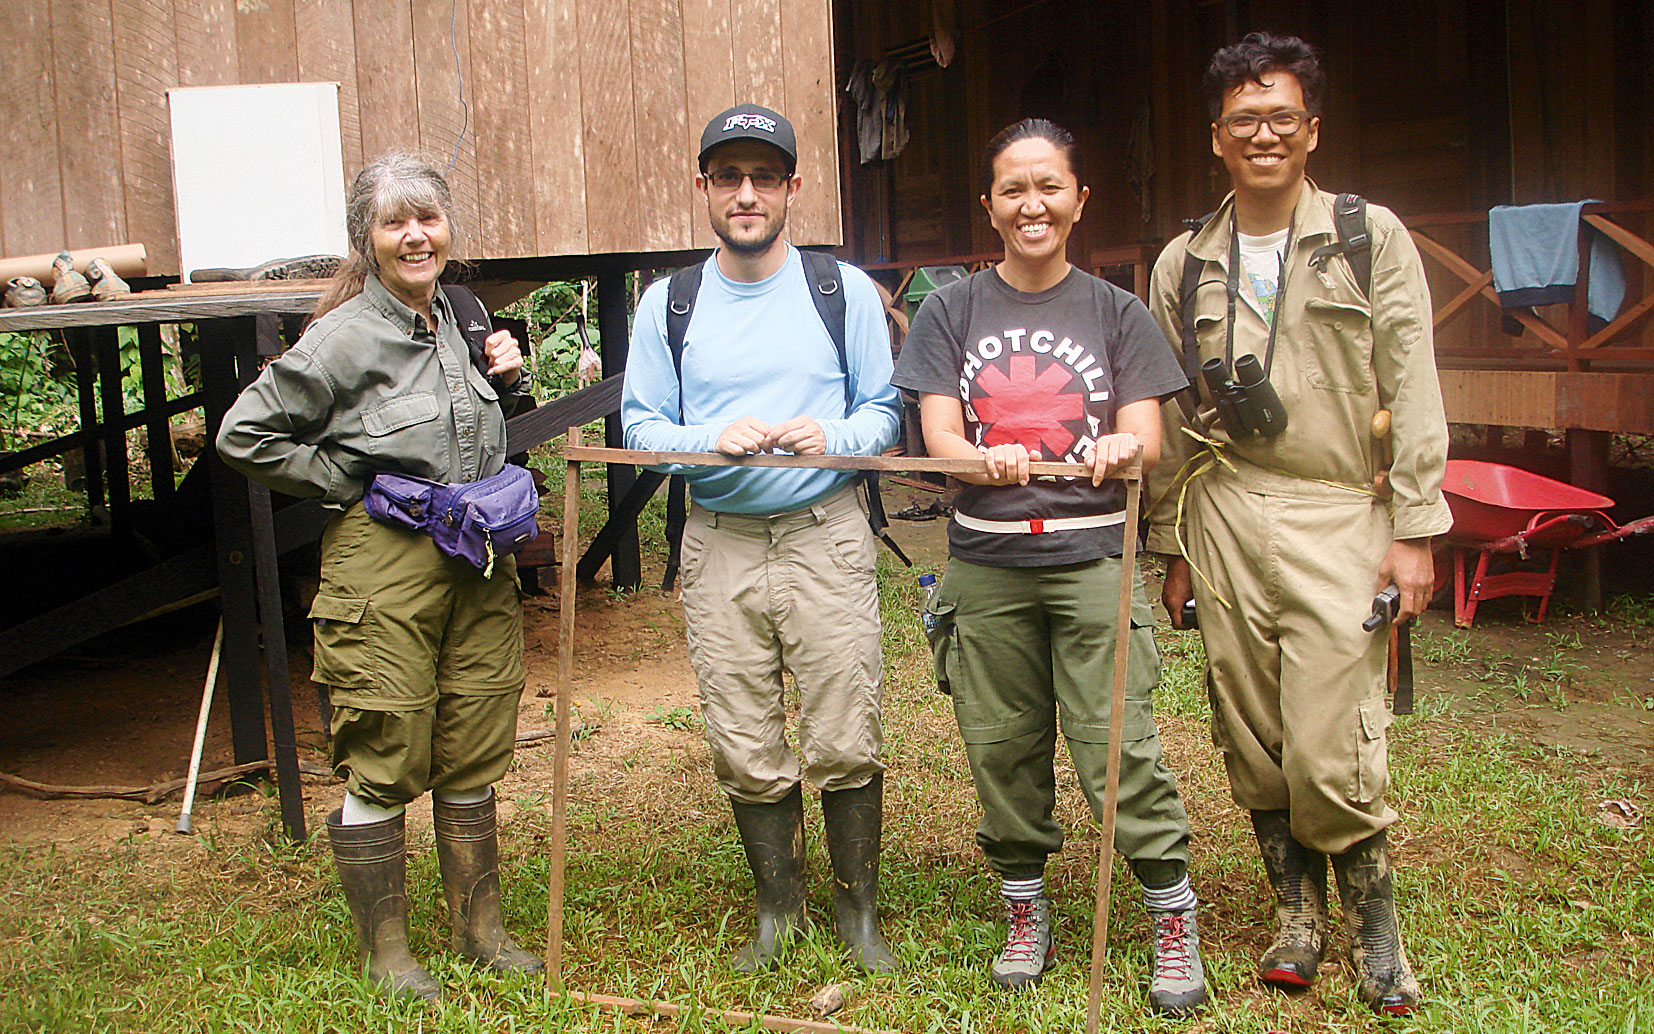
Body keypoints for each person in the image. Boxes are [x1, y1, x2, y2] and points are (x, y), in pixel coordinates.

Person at [1146, 34, 1451, 1016]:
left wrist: (1413, 527)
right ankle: (1296, 916)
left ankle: (1377, 930)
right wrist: (1172, 541)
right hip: (1225, 512)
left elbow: (1411, 382)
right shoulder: (1183, 261)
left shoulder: (1370, 236)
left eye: (1282, 116)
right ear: (1216, 138)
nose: (1264, 134)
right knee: (1253, 730)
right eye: (1245, 119)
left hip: (1336, 510)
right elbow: (1168, 414)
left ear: (1312, 130)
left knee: (1331, 739)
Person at [891, 118, 1206, 1015]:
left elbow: (1147, 438)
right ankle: (1025, 909)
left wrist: (1117, 443)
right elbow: (941, 433)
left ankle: (1170, 915)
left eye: (1050, 187)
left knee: (1119, 747)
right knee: (1000, 744)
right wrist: (971, 461)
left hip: (1092, 558)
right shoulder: (952, 310)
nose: (1033, 205)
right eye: (1014, 190)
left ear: (1079, 199)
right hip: (986, 565)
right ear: (988, 205)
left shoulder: (1117, 312)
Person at [217, 152, 541, 1001]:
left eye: (427, 217)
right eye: (395, 222)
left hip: (475, 560)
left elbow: (476, 424)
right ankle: (389, 955)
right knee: (386, 744)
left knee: (473, 742)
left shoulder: (461, 315)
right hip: (385, 567)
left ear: (447, 228)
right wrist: (350, 483)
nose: (415, 235)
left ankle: (483, 932)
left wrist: (507, 381)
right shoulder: (342, 336)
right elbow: (244, 435)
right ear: (367, 239)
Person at [621, 104, 903, 973]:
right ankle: (778, 909)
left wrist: (836, 437)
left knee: (846, 729)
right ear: (703, 187)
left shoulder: (842, 290)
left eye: (765, 177)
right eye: (729, 178)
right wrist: (704, 443)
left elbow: (884, 413)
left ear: (792, 189)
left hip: (826, 532)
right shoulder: (668, 304)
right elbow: (638, 428)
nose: (748, 194)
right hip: (719, 540)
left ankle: (859, 914)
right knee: (742, 734)